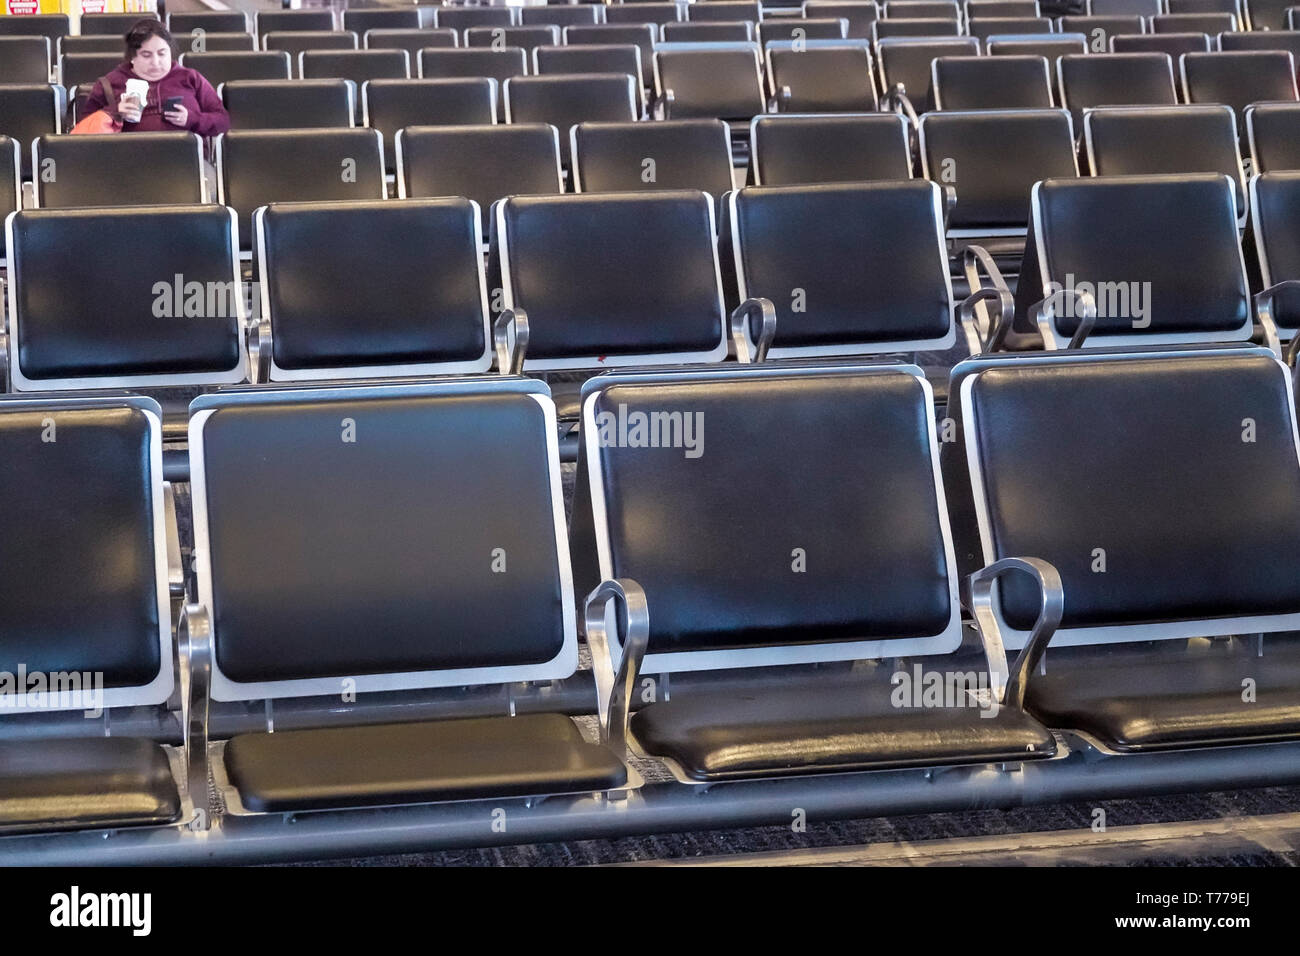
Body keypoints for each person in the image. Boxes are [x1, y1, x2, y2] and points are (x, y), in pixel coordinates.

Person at [82, 19, 229, 137]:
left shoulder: (190, 78)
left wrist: (191, 119)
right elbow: (85, 130)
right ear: (132, 56)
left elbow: (223, 121)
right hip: (127, 159)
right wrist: (114, 113)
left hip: (185, 158)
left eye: (162, 53)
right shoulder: (110, 83)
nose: (155, 62)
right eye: (146, 55)